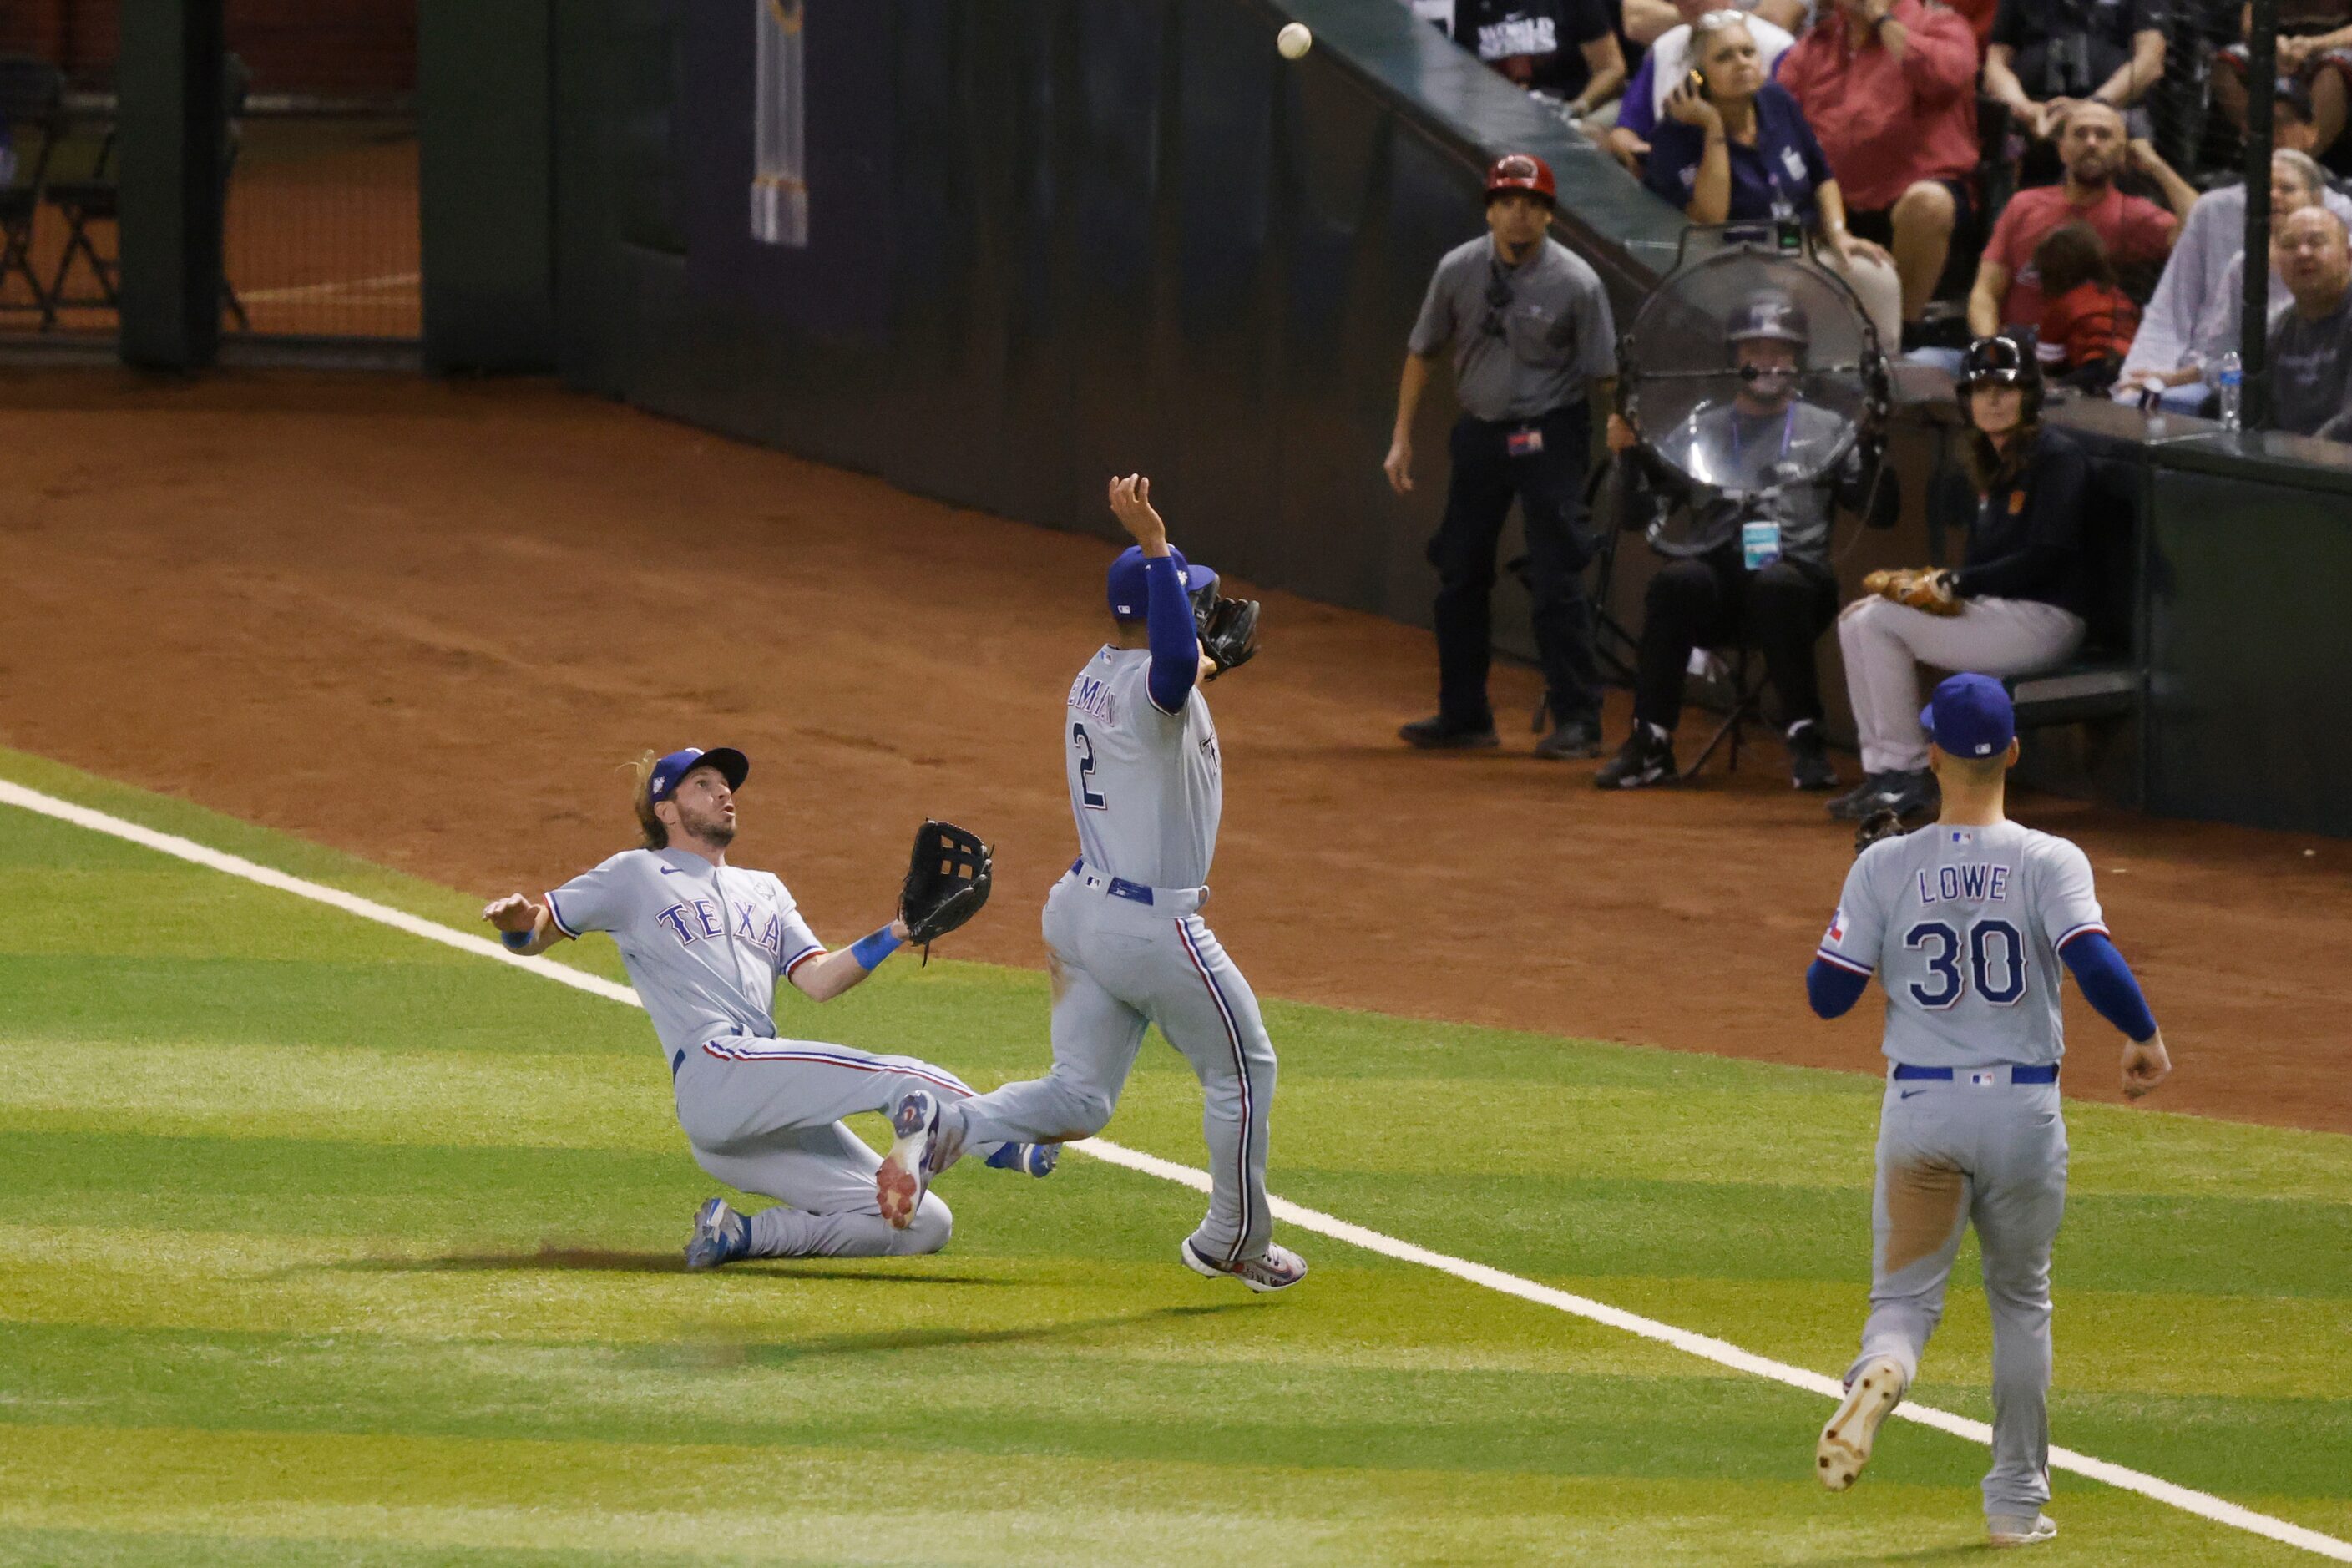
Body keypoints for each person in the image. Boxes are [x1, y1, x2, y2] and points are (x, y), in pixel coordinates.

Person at [885, 477, 1307, 1292]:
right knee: (1244, 1071)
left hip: (1081, 912)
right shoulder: (1162, 678)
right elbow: (1178, 664)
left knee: (1080, 1098)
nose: (1208, 612)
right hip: (1154, 929)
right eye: (1192, 601)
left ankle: (951, 1126)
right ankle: (1233, 1237)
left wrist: (1203, 653)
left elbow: (1178, 671)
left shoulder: (1099, 675)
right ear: (1155, 611)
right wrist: (1155, 545)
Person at [1807, 671, 2172, 1550]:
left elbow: (1826, 996)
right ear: (2012, 751)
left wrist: (1868, 904)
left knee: (1903, 1302)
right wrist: (2144, 1038)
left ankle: (1884, 1368)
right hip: (2021, 1114)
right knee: (2020, 1300)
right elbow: (2094, 964)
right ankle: (2014, 1506)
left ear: (1931, 753)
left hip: (1922, 1112)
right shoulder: (2051, 859)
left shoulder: (1884, 864)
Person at [479, 747, 1055, 1267]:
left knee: (924, 1224)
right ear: (667, 810)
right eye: (703, 784)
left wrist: (897, 932)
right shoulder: (634, 875)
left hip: (748, 1113)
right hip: (715, 1068)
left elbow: (820, 979)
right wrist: (514, 925)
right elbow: (537, 933)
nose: (724, 793)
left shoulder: (767, 890)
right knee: (896, 1077)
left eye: (726, 785)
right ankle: (1002, 1137)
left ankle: (740, 1235)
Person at [1596, 290, 1888, 790]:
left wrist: (1876, 445)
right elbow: (1634, 517)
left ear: (1798, 360)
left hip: (1795, 584)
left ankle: (1806, 742)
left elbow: (1880, 513)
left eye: (1780, 351)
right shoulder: (1699, 430)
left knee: (1778, 586)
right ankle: (1651, 741)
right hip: (1718, 578)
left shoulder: (1831, 430)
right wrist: (1629, 458)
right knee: (1676, 582)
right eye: (1754, 351)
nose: (1767, 362)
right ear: (1736, 359)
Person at [1385, 154, 1621, 756]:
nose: (1520, 214)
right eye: (1508, 202)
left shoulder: (1577, 283)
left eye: (1533, 204)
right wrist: (1401, 435)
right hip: (1481, 432)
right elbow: (1421, 351)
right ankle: (1463, 715)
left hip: (1551, 432)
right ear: (1490, 209)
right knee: (1460, 570)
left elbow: (1604, 376)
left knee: (1556, 574)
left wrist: (1624, 426)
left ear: (1547, 214)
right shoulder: (1457, 269)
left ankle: (1577, 720)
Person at [1829, 337, 2092, 822]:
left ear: (2029, 395)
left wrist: (1955, 584)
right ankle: (1886, 773)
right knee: (1858, 618)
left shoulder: (2057, 458)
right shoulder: (1991, 463)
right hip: (2003, 615)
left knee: (1880, 620)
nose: (1992, 400)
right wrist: (1949, 587)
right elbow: (1983, 564)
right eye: (1980, 389)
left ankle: (1907, 774)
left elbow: (2047, 558)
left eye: (2005, 389)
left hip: (2047, 620)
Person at [1641, 13, 1906, 342]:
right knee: (1804, 292)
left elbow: (1822, 175)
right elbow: (1711, 218)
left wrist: (1839, 234)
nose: (1741, 63)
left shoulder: (1777, 101)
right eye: (1724, 57)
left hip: (1803, 251)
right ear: (1699, 76)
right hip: (1730, 270)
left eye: (1747, 52)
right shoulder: (1675, 137)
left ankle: (1884, 378)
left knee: (1876, 277)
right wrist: (1713, 127)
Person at [1778, 0, 1983, 338]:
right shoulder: (1817, 44)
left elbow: (1946, 77)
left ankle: (1903, 332)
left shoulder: (1940, 25)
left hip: (1911, 199)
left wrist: (1882, 20)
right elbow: (1777, 113)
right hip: (1833, 202)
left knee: (1928, 204)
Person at [2113, 141, 2351, 408]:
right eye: (2264, 188)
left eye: (2287, 188)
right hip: (2246, 395)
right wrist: (2171, 379)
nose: (2273, 195)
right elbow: (2225, 357)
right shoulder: (2246, 269)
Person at [1967, 103, 2188, 336]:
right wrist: (1990, 348)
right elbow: (1985, 292)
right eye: (2080, 134)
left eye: (2103, 135)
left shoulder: (2134, 215)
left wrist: (2156, 166)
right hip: (2012, 344)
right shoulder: (2023, 204)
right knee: (1927, 361)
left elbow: (2207, 228)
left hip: (2084, 352)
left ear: (2123, 153)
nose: (2091, 143)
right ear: (2062, 150)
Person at [1605, 0, 1797, 174]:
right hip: (1671, 182)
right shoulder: (1665, 47)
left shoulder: (1778, 49)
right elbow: (1626, 128)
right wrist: (1638, 152)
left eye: (1748, 52)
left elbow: (1793, 141)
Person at [1980, 0, 2167, 139]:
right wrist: (2025, 108)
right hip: (2034, 115)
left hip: (2112, 112)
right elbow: (1996, 64)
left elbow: (2150, 62)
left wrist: (2092, 107)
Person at [2214, 0, 2352, 160]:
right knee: (2227, 65)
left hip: (2333, 48)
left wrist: (2313, 45)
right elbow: (2250, 25)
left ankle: (2303, 161)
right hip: (2282, 51)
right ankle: (2263, 153)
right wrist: (2272, 44)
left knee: (2331, 70)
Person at [1454, 0, 1630, 123]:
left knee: (1597, 138)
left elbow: (1610, 68)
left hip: (1569, 107)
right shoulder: (1466, 5)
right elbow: (1459, 74)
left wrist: (1577, 108)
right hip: (1495, 116)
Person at [2263, 206, 2352, 438]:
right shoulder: (2278, 331)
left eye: (2316, 242)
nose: (2303, 253)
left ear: (2349, 256)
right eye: (2290, 245)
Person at [2031, 222, 2140, 389]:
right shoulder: (2120, 297)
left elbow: (2047, 360)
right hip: (2133, 369)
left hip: (2093, 371)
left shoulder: (2063, 304)